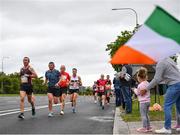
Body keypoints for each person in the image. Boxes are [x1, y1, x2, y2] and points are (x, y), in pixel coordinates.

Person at [140, 57, 180, 134]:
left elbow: (157, 79)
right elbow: (170, 74)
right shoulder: (169, 59)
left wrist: (146, 89)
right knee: (179, 106)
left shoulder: (160, 63)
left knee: (167, 105)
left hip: (174, 85)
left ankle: (167, 128)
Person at [132, 67, 152, 133]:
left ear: (139, 77)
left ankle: (144, 127)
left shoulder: (140, 85)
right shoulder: (148, 83)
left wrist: (134, 89)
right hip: (148, 101)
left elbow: (138, 93)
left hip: (143, 102)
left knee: (143, 115)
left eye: (138, 78)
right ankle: (149, 127)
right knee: (147, 114)